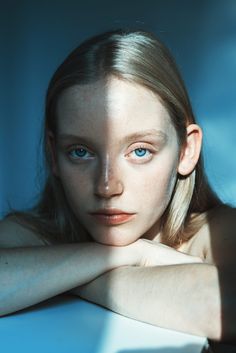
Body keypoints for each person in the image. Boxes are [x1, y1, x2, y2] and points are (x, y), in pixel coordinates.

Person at [0, 28, 236, 344]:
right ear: (53, 156)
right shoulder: (31, 233)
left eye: (140, 151)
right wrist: (132, 254)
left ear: (186, 151)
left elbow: (224, 307)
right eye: (80, 152)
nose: (108, 186)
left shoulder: (215, 232)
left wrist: (67, 275)